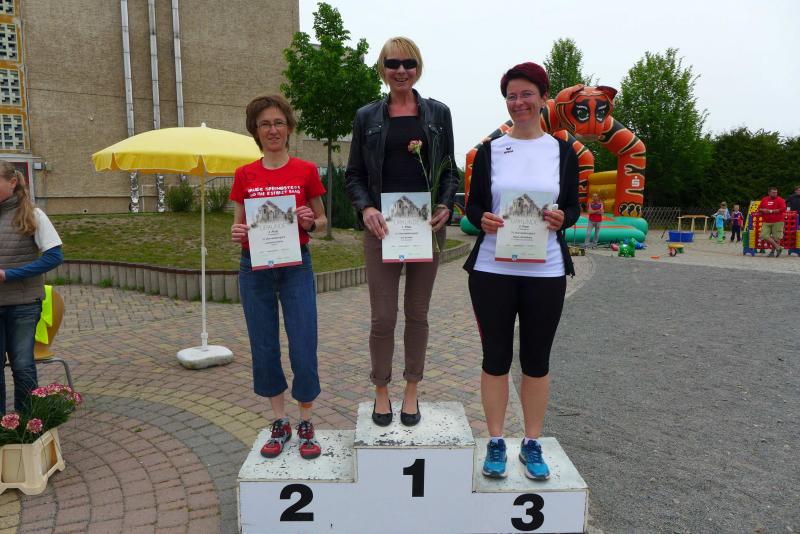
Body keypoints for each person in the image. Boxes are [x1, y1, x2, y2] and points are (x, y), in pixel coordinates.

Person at [463, 62, 580, 480]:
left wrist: (563, 218)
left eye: (527, 93)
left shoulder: (563, 152)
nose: (519, 102)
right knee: (495, 358)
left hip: (545, 271)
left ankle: (531, 442)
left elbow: (573, 206)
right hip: (492, 270)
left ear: (544, 97)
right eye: (511, 96)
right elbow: (473, 207)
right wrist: (483, 219)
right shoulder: (490, 151)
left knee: (536, 360)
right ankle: (496, 440)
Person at [345, 36, 459, 427]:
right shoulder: (367, 117)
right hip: (382, 230)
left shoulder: (438, 114)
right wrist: (367, 207)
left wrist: (446, 205)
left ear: (418, 68)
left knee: (417, 313)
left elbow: (449, 170)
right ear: (383, 68)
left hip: (426, 228)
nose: (401, 70)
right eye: (393, 63)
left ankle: (412, 390)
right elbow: (354, 174)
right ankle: (381, 390)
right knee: (382, 317)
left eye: (408, 63)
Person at [230, 95, 327, 459]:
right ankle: (279, 421)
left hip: (295, 266)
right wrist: (237, 232)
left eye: (278, 123)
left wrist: (311, 222)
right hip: (254, 268)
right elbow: (239, 223)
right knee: (264, 345)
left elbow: (322, 220)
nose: (272, 130)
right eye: (265, 124)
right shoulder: (244, 174)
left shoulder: (306, 170)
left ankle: (306, 421)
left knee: (303, 343)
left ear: (288, 128)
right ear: (255, 131)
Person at [0, 161, 63, 414]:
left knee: (23, 364)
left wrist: (8, 275)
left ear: (12, 182)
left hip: (23, 305)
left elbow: (54, 257)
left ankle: (28, 423)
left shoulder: (33, 215)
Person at [758, 186, 786, 257]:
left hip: (778, 221)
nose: (775, 194)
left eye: (776, 192)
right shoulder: (764, 199)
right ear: (769, 193)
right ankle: (778, 248)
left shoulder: (780, 200)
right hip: (766, 221)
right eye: (773, 192)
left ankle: (772, 252)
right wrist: (763, 210)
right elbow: (759, 208)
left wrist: (771, 211)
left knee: (776, 238)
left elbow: (783, 209)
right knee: (763, 235)